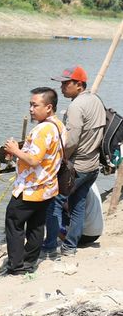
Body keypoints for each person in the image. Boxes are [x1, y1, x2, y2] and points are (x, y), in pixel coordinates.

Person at [43, 65, 106, 257]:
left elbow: (71, 141)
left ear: (79, 85)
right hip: (92, 165)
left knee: (54, 204)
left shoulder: (76, 106)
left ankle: (49, 246)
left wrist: (56, 159)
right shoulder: (96, 100)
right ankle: (70, 247)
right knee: (78, 206)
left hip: (76, 167)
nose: (62, 88)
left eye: (65, 84)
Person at [2, 87, 64, 275]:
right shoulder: (58, 126)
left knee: (14, 223)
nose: (31, 109)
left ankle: (16, 266)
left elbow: (33, 160)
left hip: (31, 188)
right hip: (48, 187)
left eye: (35, 105)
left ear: (48, 107)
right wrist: (21, 151)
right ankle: (29, 262)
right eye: (30, 105)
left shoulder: (42, 130)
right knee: (36, 227)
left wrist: (15, 150)